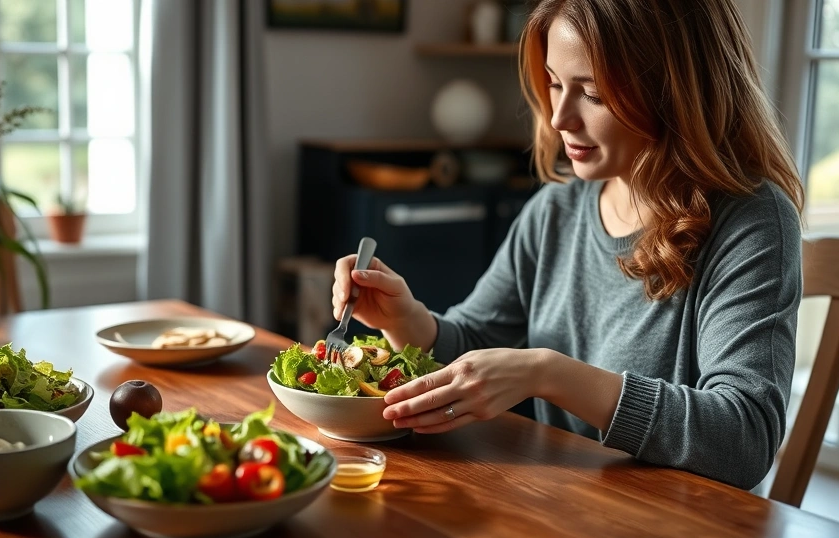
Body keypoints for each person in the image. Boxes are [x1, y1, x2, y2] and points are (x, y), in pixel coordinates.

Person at [330, 0, 804, 490]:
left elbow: (744, 440)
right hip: (569, 509)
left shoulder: (752, 223)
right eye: (555, 83)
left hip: (685, 533)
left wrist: (548, 373)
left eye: (593, 95)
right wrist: (404, 320)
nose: (559, 117)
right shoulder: (555, 212)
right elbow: (474, 349)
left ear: (676, 93)